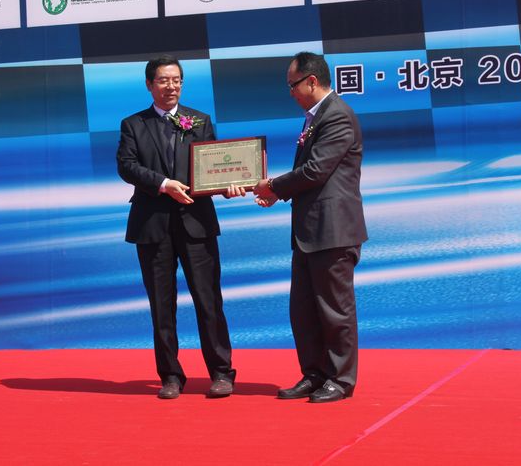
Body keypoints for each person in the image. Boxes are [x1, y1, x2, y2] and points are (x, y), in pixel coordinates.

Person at [116, 55, 244, 399]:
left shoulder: (199, 120)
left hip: (196, 224)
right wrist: (163, 184)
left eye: (176, 80)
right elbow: (126, 166)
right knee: (162, 305)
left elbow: (214, 167)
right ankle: (171, 376)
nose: (171, 86)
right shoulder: (133, 124)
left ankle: (221, 372)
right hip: (152, 226)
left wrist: (229, 185)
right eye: (163, 80)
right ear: (149, 85)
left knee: (209, 301)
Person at [253, 51, 368, 403]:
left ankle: (340, 379)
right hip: (309, 232)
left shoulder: (337, 116)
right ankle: (315, 374)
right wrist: (277, 193)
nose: (290, 93)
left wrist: (274, 187)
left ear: (312, 81)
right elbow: (310, 175)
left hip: (333, 231)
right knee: (304, 311)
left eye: (293, 85)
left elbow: (316, 170)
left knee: (335, 310)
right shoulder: (315, 118)